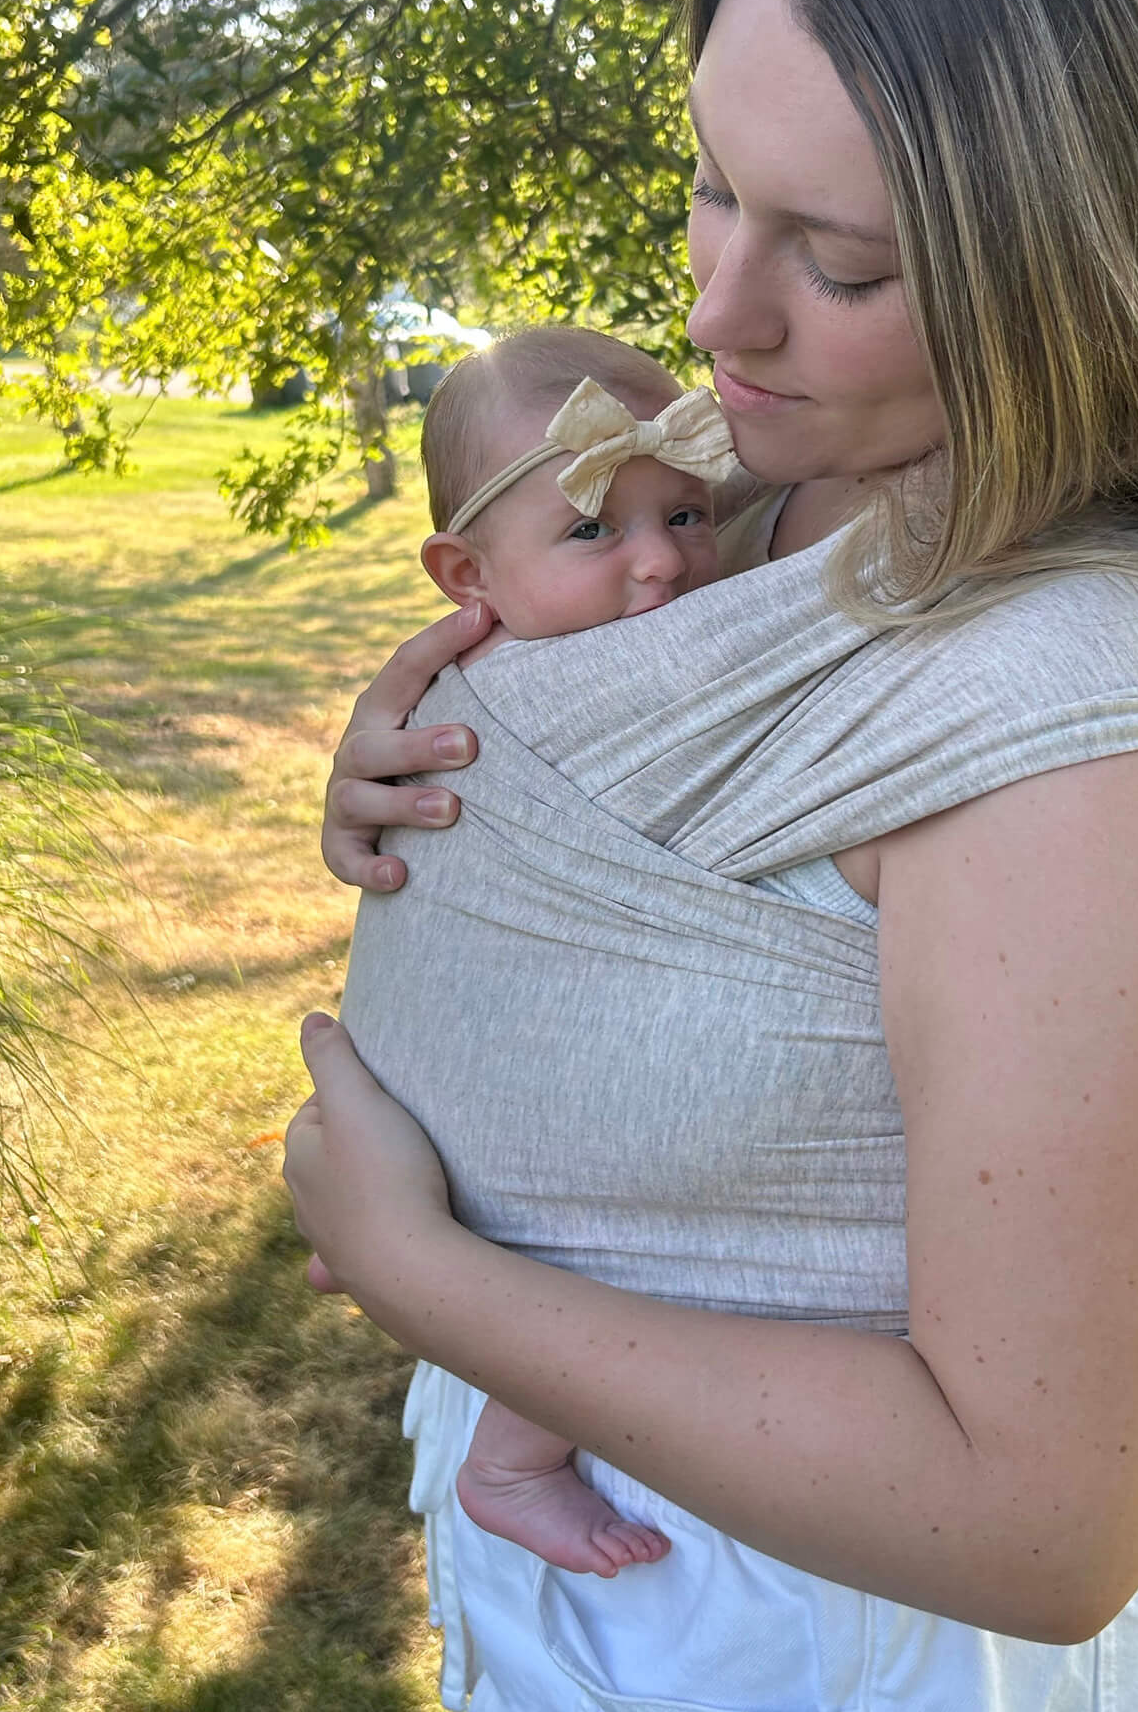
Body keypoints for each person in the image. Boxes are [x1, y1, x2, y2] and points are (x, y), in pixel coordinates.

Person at [285, 0, 1138, 1710]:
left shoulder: (1099, 726)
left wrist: (417, 1271)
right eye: (715, 185)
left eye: (847, 262)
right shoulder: (730, 471)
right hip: (593, 1576)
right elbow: (596, 693)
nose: (720, 312)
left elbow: (1041, 1524)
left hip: (828, 1645)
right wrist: (434, 741)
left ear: (1082, 270)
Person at [407, 324, 737, 1574]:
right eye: (594, 530)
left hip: (479, 1036)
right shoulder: (534, 688)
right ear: (464, 575)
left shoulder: (540, 648)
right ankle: (513, 1456)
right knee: (601, 1242)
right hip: (503, 1042)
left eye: (686, 516)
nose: (658, 563)